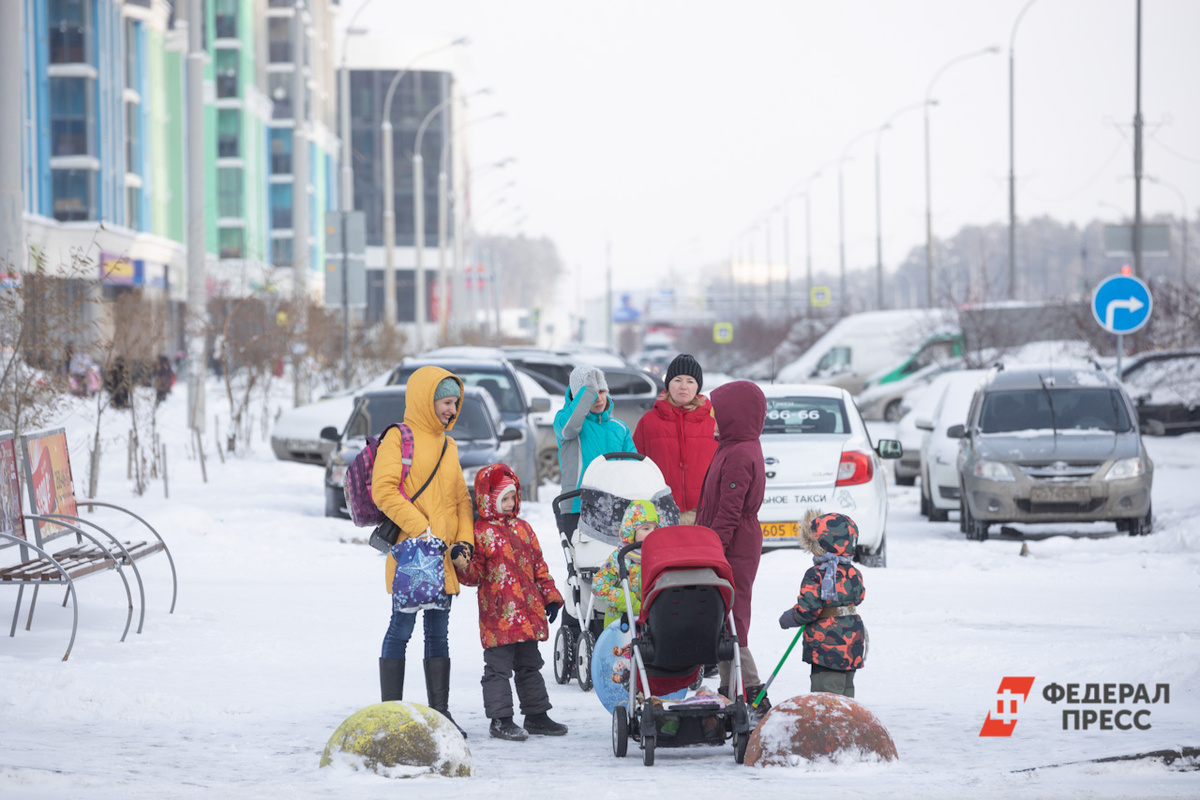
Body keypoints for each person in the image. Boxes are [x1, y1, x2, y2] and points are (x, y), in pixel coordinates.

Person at [373, 366, 474, 736]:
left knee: (438, 633)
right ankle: (392, 715)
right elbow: (383, 490)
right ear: (426, 400)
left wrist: (465, 540)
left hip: (443, 557)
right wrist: (423, 530)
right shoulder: (398, 440)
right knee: (400, 629)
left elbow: (462, 499)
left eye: (455, 403)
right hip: (412, 558)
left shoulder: (450, 446)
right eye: (447, 402)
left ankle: (440, 713)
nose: (452, 409)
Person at [453, 463, 568, 741]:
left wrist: (550, 596)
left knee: (530, 664)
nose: (509, 503)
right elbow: (475, 575)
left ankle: (537, 715)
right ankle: (500, 719)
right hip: (499, 617)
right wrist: (462, 564)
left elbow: (539, 565)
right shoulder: (479, 533)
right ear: (487, 500)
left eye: (512, 497)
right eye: (503, 498)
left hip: (527, 614)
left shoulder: (523, 529)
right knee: (498, 669)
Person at [694, 380, 770, 713]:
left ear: (735, 414)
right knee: (723, 617)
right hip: (728, 539)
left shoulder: (739, 453)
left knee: (733, 617)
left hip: (734, 543)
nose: (713, 418)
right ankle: (728, 688)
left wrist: (713, 549)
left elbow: (729, 511)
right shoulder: (733, 445)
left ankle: (753, 691)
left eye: (718, 413)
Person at [553, 363, 635, 633]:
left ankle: (610, 628)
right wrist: (584, 394)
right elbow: (570, 428)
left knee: (611, 570)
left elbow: (632, 465)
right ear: (578, 395)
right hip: (576, 507)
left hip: (613, 511)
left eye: (602, 391)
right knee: (580, 572)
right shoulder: (566, 423)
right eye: (591, 393)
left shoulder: (619, 428)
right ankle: (575, 629)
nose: (599, 398)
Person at [778, 512, 867, 698]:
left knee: (826, 698)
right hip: (852, 641)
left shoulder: (816, 574)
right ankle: (847, 725)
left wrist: (788, 618)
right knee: (846, 695)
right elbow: (859, 597)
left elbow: (808, 610)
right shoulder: (854, 572)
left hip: (827, 646)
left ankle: (829, 727)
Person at [632, 354, 718, 525]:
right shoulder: (649, 422)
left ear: (698, 386)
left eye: (690, 381)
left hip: (703, 513)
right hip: (661, 513)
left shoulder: (713, 422)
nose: (683, 387)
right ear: (668, 383)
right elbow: (636, 466)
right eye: (678, 380)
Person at [591, 500, 659, 628]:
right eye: (646, 528)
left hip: (654, 622)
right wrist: (629, 602)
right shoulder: (620, 557)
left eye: (656, 528)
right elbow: (599, 585)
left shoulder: (659, 557)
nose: (652, 533)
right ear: (631, 531)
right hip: (622, 624)